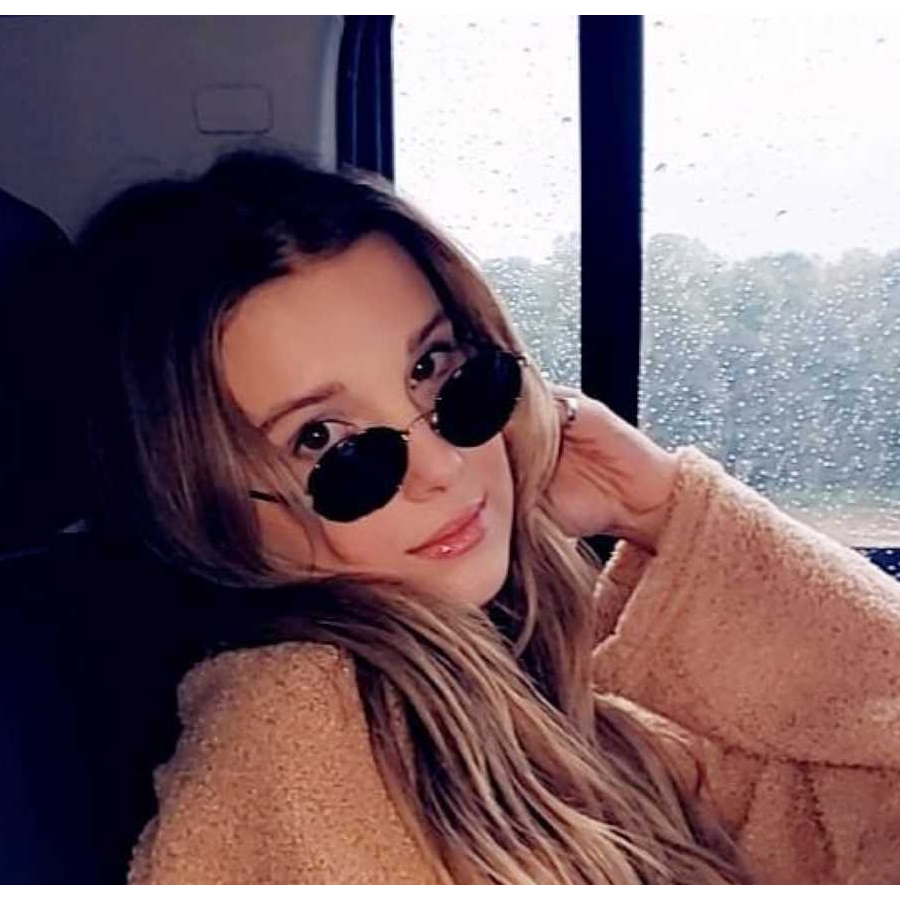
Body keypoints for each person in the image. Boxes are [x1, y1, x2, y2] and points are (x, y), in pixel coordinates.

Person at [74, 149, 900, 884]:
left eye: (436, 371)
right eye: (324, 441)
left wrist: (663, 508)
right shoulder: (294, 736)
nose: (442, 465)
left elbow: (867, 778)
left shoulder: (544, 683)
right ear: (203, 506)